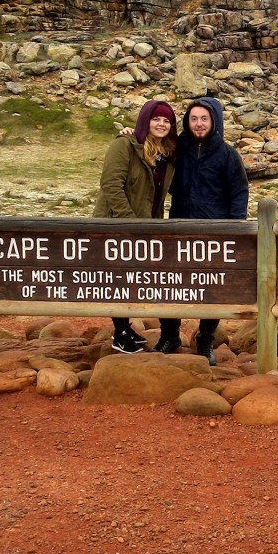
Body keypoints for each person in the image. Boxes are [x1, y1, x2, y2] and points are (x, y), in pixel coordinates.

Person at [157, 95, 249, 363]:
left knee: (212, 287)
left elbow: (239, 192)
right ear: (187, 122)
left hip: (215, 231)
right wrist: (129, 132)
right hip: (178, 227)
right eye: (193, 119)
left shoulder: (228, 155)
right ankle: (169, 335)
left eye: (204, 119)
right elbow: (147, 144)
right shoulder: (176, 148)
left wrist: (235, 230)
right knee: (171, 283)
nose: (198, 124)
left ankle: (206, 338)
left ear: (214, 122)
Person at [93, 99, 177, 354]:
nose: (161, 124)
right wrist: (128, 221)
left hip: (147, 224)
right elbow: (111, 185)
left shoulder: (168, 153)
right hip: (117, 223)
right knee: (117, 277)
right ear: (145, 121)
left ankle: (126, 328)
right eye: (156, 119)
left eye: (166, 120)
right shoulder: (125, 145)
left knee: (132, 277)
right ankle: (120, 332)